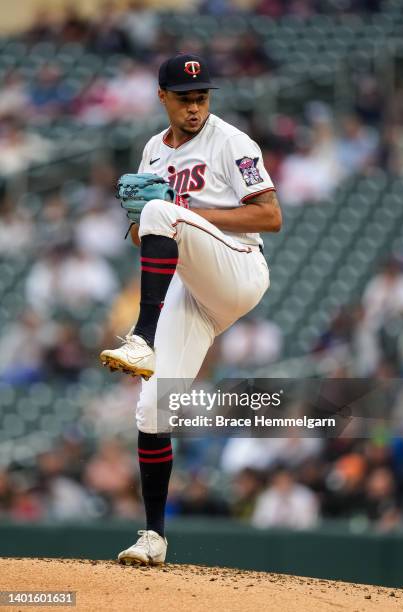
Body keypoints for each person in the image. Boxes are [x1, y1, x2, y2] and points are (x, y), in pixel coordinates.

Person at [100, 53, 282, 565]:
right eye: (184, 97)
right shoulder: (153, 151)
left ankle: (141, 334)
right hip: (192, 287)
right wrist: (138, 215)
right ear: (163, 97)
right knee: (151, 410)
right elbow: (145, 234)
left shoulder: (231, 142)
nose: (195, 106)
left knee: (165, 208)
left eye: (202, 97)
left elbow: (271, 214)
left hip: (239, 266)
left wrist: (179, 210)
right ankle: (154, 538)